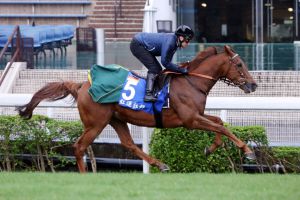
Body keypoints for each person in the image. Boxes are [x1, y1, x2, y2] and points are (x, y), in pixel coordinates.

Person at [130, 25, 194, 102]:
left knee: (158, 69)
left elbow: (168, 63)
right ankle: (148, 94)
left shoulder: (175, 43)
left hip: (142, 43)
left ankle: (153, 90)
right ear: (181, 37)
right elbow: (165, 63)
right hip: (137, 44)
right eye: (188, 40)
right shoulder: (170, 42)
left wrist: (179, 69)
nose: (188, 43)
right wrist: (181, 70)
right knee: (154, 68)